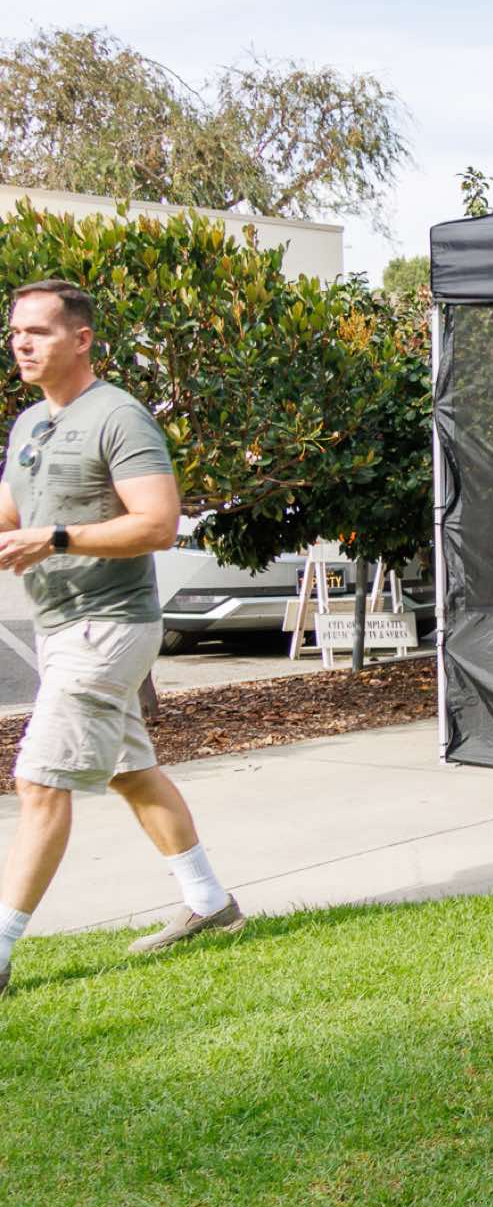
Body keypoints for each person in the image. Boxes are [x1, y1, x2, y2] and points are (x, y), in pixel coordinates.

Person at [0, 280, 244, 1001]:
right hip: (58, 625)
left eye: (38, 331)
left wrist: (58, 538)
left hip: (107, 625)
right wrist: (27, 533)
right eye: (15, 331)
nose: (21, 343)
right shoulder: (29, 424)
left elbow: (158, 522)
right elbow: (11, 513)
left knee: (40, 780)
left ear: (81, 339)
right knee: (129, 770)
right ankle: (209, 901)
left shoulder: (119, 417)